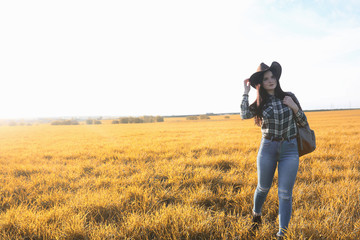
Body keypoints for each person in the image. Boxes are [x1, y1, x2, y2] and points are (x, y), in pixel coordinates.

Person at [240, 61, 308, 239]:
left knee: (285, 194)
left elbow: (303, 123)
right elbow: (244, 114)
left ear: (277, 78)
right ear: (260, 83)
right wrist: (246, 93)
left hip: (290, 149)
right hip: (268, 148)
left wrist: (293, 107)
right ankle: (256, 215)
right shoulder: (260, 103)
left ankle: (281, 234)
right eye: (266, 78)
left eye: (272, 77)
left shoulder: (289, 96)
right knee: (263, 188)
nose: (271, 80)